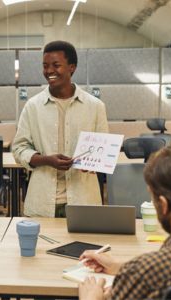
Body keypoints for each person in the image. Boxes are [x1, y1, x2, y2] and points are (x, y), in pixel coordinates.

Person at [79, 146, 171, 300]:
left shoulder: (145, 273)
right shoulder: (153, 269)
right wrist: (120, 267)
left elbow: (153, 273)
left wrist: (91, 298)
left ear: (164, 204)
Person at [12, 40, 108, 217]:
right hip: (43, 201)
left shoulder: (95, 106)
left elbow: (103, 149)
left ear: (72, 67)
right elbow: (19, 149)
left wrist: (94, 162)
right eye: (45, 66)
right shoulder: (33, 106)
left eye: (56, 65)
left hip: (84, 200)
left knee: (85, 245)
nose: (49, 71)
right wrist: (47, 160)